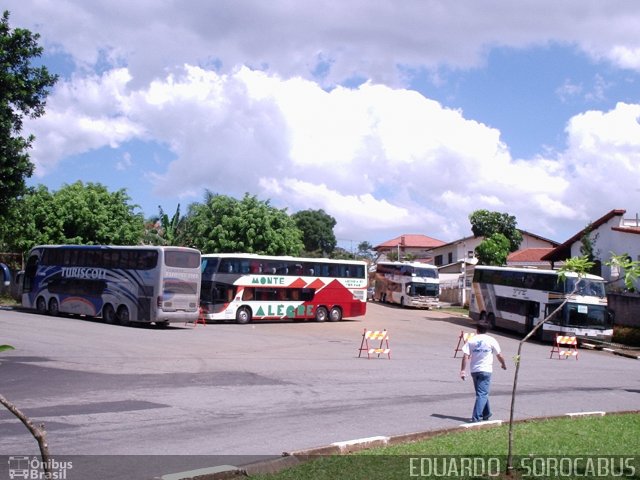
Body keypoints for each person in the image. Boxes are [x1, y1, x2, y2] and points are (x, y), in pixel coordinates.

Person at [460, 322, 507, 422]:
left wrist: (463, 370)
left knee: (481, 393)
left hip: (475, 370)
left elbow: (465, 356)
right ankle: (476, 418)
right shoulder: (491, 340)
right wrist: (503, 364)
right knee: (482, 394)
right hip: (486, 370)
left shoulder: (471, 340)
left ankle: (486, 413)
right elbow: (499, 355)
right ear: (486, 330)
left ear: (477, 329)